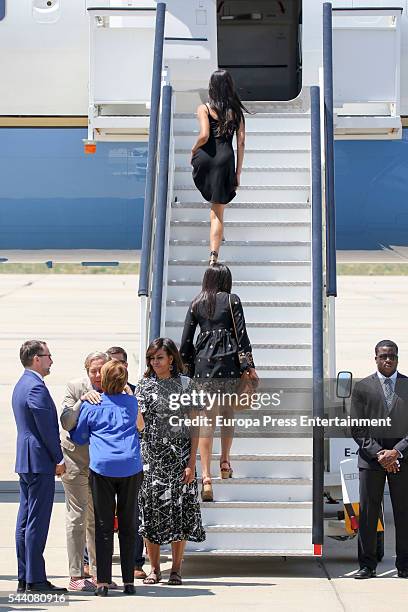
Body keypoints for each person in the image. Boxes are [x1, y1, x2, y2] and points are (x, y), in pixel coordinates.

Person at [180, 264, 258, 502]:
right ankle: (225, 461)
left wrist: (188, 369)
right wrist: (248, 366)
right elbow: (241, 335)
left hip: (203, 367)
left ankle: (205, 477)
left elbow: (185, 341)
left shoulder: (196, 303)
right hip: (228, 365)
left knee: (206, 421)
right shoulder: (232, 299)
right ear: (226, 280)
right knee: (227, 412)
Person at [70, 360, 144, 597]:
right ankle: (129, 582)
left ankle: (102, 582)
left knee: (103, 525)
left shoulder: (93, 406)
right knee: (128, 523)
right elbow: (140, 427)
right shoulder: (132, 403)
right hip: (131, 466)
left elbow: (79, 437)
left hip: (102, 468)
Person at [136, 338, 205, 586]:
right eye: (152, 358)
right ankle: (154, 568)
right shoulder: (143, 386)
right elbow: (140, 425)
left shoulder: (186, 385)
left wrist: (191, 461)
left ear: (171, 359)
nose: (155, 362)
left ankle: (176, 569)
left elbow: (195, 427)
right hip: (150, 458)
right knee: (151, 514)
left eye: (159, 358)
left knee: (179, 513)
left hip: (179, 459)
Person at [12, 340, 67, 593]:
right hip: (39, 461)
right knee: (36, 521)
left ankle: (25, 576)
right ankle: (35, 579)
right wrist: (59, 458)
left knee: (25, 520)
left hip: (27, 460)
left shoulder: (23, 383)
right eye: (48, 356)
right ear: (36, 358)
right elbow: (46, 428)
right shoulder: (35, 387)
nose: (51, 361)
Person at [351, 340, 408, 579]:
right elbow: (357, 427)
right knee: (368, 514)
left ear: (397, 358)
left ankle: (404, 565)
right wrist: (380, 454)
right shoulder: (363, 387)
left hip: (402, 459)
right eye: (384, 356)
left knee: (403, 513)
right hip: (370, 460)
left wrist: (397, 451)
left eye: (392, 356)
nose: (388, 360)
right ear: (375, 358)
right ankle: (367, 565)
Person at [60, 351, 111, 591]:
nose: (98, 375)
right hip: (76, 461)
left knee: (98, 521)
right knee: (78, 518)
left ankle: (100, 575)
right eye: (93, 371)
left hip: (100, 465)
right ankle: (76, 575)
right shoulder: (75, 386)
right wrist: (83, 401)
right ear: (87, 371)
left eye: (102, 370)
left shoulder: (115, 387)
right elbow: (66, 422)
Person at [190, 69, 247, 265]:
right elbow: (240, 143)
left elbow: (204, 136)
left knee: (213, 210)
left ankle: (215, 244)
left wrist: (193, 149)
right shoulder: (237, 112)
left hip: (206, 158)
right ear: (230, 86)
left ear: (211, 87)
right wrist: (238, 172)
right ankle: (213, 255)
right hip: (225, 160)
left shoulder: (204, 108)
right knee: (217, 213)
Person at [105, 345, 146, 578]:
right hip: (105, 464)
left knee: (131, 515)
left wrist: (133, 401)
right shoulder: (97, 395)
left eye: (118, 362)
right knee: (103, 517)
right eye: (111, 362)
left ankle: (134, 563)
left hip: (130, 463)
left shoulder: (134, 393)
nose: (114, 367)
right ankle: (97, 563)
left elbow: (141, 426)